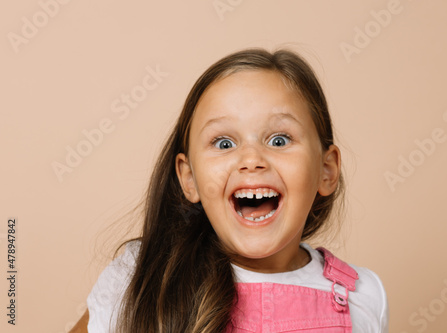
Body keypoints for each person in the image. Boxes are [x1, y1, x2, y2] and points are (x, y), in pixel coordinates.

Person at [70, 48, 389, 333]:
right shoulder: (142, 279)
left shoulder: (363, 296)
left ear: (326, 170)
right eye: (224, 143)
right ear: (189, 178)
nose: (251, 159)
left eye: (279, 140)